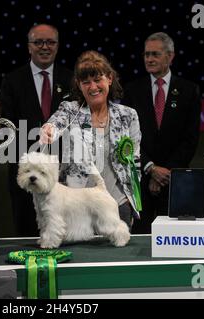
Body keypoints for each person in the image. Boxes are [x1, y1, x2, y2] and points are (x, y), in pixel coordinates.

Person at [40, 50, 142, 228]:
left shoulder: (128, 115)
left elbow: (135, 161)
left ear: (109, 79)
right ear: (79, 85)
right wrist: (48, 129)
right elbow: (56, 122)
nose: (93, 87)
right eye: (86, 82)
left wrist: (128, 198)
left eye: (97, 80)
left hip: (117, 205)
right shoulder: (70, 109)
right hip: (76, 207)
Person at [123, 32, 201, 234]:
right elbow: (127, 138)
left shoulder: (189, 90)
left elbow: (190, 139)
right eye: (146, 54)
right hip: (139, 179)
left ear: (170, 56)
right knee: (140, 238)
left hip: (176, 180)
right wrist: (150, 168)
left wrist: (165, 172)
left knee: (175, 238)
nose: (149, 59)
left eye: (155, 54)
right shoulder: (131, 90)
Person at [0, 24, 73, 236]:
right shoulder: (12, 81)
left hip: (65, 174)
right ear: (29, 47)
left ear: (57, 47)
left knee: (65, 232)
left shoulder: (72, 80)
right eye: (38, 42)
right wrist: (27, 166)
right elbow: (8, 128)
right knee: (28, 232)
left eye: (50, 42)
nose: (44, 47)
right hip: (27, 173)